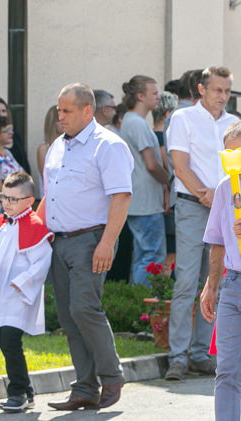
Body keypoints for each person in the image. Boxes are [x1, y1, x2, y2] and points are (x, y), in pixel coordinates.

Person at [38, 83, 134, 411]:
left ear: (87, 111)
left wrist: (107, 243)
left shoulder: (108, 146)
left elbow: (121, 196)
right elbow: (50, 195)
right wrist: (32, 236)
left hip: (91, 239)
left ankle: (112, 376)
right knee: (68, 316)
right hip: (59, 241)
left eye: (66, 111)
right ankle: (84, 388)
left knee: (83, 309)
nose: (59, 116)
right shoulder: (57, 147)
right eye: (59, 109)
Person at [164, 66, 235, 381]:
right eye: (217, 90)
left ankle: (201, 353)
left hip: (230, 208)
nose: (223, 96)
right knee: (186, 281)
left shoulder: (235, 124)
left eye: (227, 91)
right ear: (202, 89)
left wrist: (221, 200)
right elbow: (180, 165)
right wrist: (206, 195)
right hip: (194, 205)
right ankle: (177, 358)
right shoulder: (182, 118)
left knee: (216, 280)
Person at [0, 172, 53, 413]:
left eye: (13, 199)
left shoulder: (35, 227)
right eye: (4, 197)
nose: (7, 203)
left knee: (10, 340)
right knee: (5, 341)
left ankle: (17, 393)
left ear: (29, 201)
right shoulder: (1, 224)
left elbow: (42, 261)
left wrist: (22, 282)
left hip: (17, 295)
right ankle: (26, 391)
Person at [184, 121, 241, 421]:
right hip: (234, 284)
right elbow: (218, 239)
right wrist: (212, 283)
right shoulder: (225, 188)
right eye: (230, 151)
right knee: (227, 369)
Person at [119, 75, 171, 285]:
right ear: (140, 96)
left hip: (142, 200)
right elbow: (150, 164)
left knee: (145, 255)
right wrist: (170, 182)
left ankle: (140, 302)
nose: (158, 97)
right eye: (154, 93)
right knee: (151, 256)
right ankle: (144, 305)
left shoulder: (134, 122)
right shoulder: (137, 123)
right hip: (145, 202)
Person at [154, 91, 180, 271]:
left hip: (161, 201)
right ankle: (163, 288)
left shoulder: (151, 133)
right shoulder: (162, 137)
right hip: (167, 201)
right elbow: (168, 167)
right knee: (170, 253)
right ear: (167, 113)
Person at [37, 104, 62, 185]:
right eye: (59, 120)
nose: (64, 123)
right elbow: (45, 177)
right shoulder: (44, 148)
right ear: (52, 123)